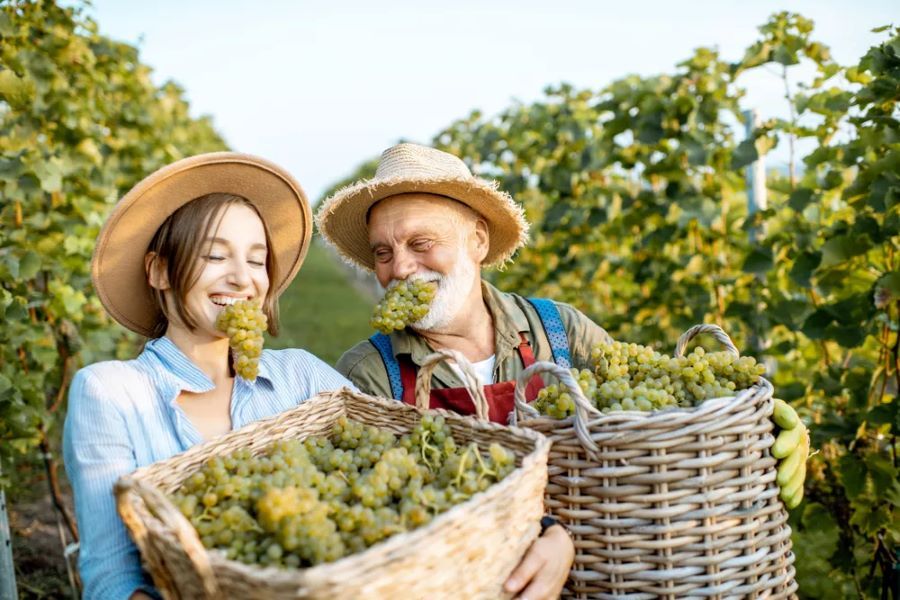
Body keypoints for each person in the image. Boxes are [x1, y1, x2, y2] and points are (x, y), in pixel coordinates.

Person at [316, 142, 809, 600]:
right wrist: (543, 531)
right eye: (383, 252)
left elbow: (651, 413)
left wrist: (749, 419)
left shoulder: (560, 330)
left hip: (619, 574)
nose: (399, 268)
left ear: (478, 242)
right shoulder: (369, 375)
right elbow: (394, 516)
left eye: (421, 242)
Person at [63, 153, 352, 600]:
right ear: (159, 270)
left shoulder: (305, 376)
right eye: (216, 256)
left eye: (257, 262)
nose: (241, 279)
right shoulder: (110, 393)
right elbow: (113, 576)